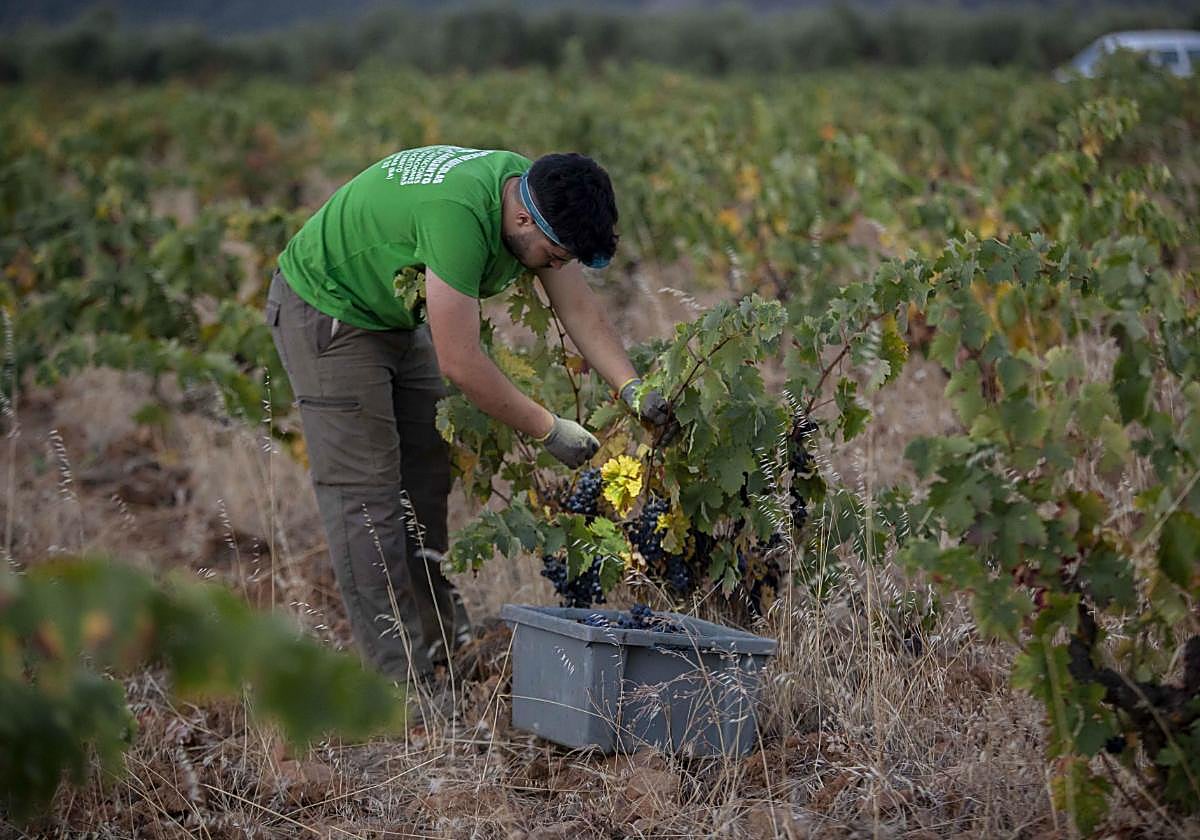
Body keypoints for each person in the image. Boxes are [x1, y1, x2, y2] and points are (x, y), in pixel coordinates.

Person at [266, 145, 671, 682]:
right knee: (368, 505)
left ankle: (443, 642)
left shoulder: (530, 193)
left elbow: (578, 309)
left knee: (426, 479)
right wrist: (548, 428)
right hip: (327, 309)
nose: (557, 267)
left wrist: (633, 389)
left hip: (389, 313)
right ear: (523, 218)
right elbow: (459, 361)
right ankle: (400, 688)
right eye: (554, 255)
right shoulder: (459, 218)